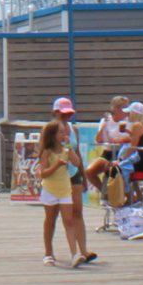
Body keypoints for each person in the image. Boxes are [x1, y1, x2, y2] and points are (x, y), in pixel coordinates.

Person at [48, 99, 95, 265]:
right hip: (56, 175)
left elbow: (77, 153)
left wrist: (83, 176)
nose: (66, 116)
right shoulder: (50, 130)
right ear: (55, 112)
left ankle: (83, 251)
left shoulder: (73, 129)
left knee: (77, 212)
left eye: (69, 113)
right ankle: (49, 252)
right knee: (52, 215)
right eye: (63, 113)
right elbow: (43, 152)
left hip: (72, 173)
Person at [37, 118, 86, 268]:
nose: (64, 135)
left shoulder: (66, 149)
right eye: (61, 132)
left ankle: (74, 254)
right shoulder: (47, 151)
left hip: (65, 189)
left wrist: (69, 148)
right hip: (50, 189)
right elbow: (43, 173)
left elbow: (77, 163)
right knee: (50, 221)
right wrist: (57, 165)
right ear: (53, 135)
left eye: (65, 132)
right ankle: (48, 253)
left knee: (69, 221)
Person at [83, 95, 129, 188]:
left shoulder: (128, 121)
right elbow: (98, 140)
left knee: (109, 169)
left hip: (122, 152)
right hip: (108, 152)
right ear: (116, 109)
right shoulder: (106, 120)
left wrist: (119, 140)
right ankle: (106, 194)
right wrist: (104, 125)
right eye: (124, 108)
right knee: (89, 171)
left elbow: (130, 138)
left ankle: (112, 195)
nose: (127, 111)